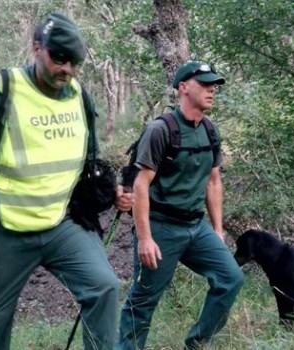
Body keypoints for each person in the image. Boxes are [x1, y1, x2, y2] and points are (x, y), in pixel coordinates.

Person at [0, 12, 132, 350]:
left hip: (61, 223)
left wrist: (109, 191)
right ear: (36, 48)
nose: (66, 69)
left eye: (74, 62)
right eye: (59, 58)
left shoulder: (79, 97)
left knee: (104, 286)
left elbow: (90, 161)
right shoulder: (2, 90)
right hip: (5, 228)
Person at [116, 61, 244, 350]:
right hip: (161, 228)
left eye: (214, 85)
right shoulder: (161, 131)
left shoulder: (210, 131)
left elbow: (213, 182)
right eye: (205, 84)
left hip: (196, 227)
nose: (212, 89)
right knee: (143, 300)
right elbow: (140, 184)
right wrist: (145, 238)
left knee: (231, 278)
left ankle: (197, 343)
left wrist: (219, 230)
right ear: (183, 88)